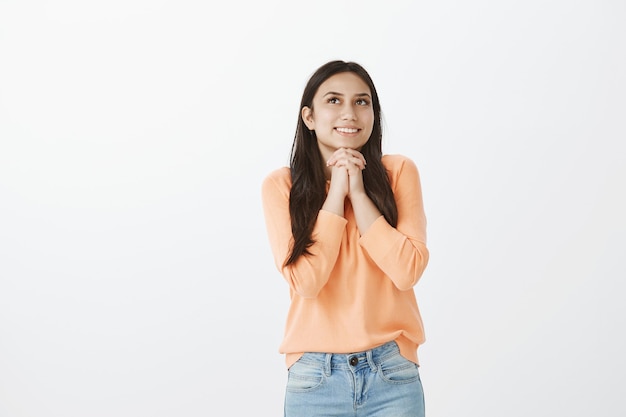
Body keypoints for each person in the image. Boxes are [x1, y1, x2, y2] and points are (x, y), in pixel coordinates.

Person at [261, 60, 429, 417]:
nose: (349, 113)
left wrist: (360, 193)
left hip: (392, 374)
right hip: (314, 380)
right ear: (309, 116)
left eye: (362, 102)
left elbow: (407, 271)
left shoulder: (398, 172)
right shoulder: (281, 187)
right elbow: (307, 282)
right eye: (334, 101)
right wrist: (336, 193)